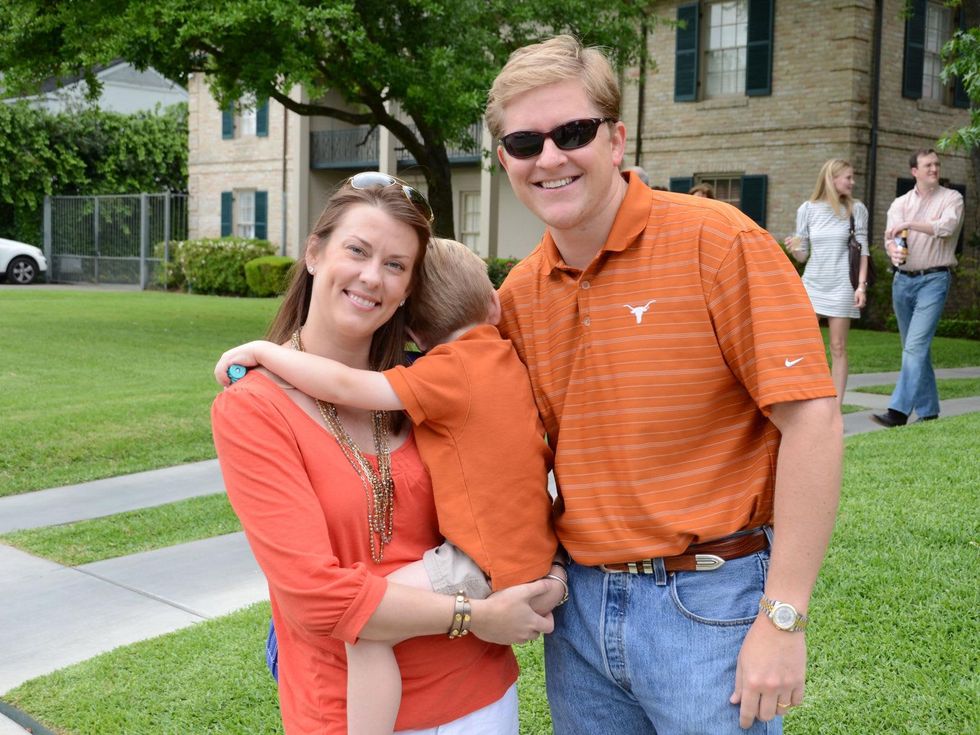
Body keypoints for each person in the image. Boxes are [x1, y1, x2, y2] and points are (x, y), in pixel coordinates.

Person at [485, 35, 843, 733]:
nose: (550, 158)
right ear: (505, 160)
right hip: (580, 615)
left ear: (615, 140)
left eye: (573, 132)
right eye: (525, 142)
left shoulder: (719, 243)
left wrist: (784, 617)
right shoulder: (519, 295)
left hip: (709, 604)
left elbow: (813, 423)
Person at [211, 175, 559, 735]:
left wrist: (549, 578)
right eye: (357, 250)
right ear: (315, 252)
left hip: (480, 699)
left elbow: (518, 487)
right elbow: (315, 599)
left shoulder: (429, 390)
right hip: (347, 711)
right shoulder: (254, 406)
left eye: (396, 266)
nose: (373, 276)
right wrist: (481, 615)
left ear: (408, 292)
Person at [871, 149, 964, 427]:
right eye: (928, 165)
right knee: (913, 348)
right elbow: (891, 238)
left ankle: (898, 412)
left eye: (936, 164)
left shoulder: (952, 198)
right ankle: (929, 410)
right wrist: (893, 252)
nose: (934, 169)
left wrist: (911, 224)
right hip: (902, 281)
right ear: (915, 171)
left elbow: (946, 227)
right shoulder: (899, 203)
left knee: (914, 347)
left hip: (934, 280)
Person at [785, 159, 870, 410]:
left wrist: (861, 286)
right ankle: (806, 401)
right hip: (812, 283)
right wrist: (795, 248)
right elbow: (803, 255)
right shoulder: (807, 209)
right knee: (803, 344)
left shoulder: (857, 209)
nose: (852, 182)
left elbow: (863, 250)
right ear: (832, 179)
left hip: (843, 284)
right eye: (848, 178)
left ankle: (835, 410)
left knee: (838, 346)